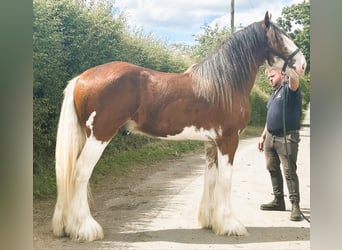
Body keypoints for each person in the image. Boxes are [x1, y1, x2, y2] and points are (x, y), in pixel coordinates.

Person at [258, 67, 302, 221]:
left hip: (287, 136)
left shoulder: (290, 90)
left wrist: (289, 67)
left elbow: (294, 80)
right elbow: (270, 116)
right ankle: (278, 201)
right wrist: (263, 136)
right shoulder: (273, 94)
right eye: (268, 77)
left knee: (289, 171)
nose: (269, 78)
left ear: (282, 74)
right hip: (271, 137)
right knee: (272, 168)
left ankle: (295, 205)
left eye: (272, 75)